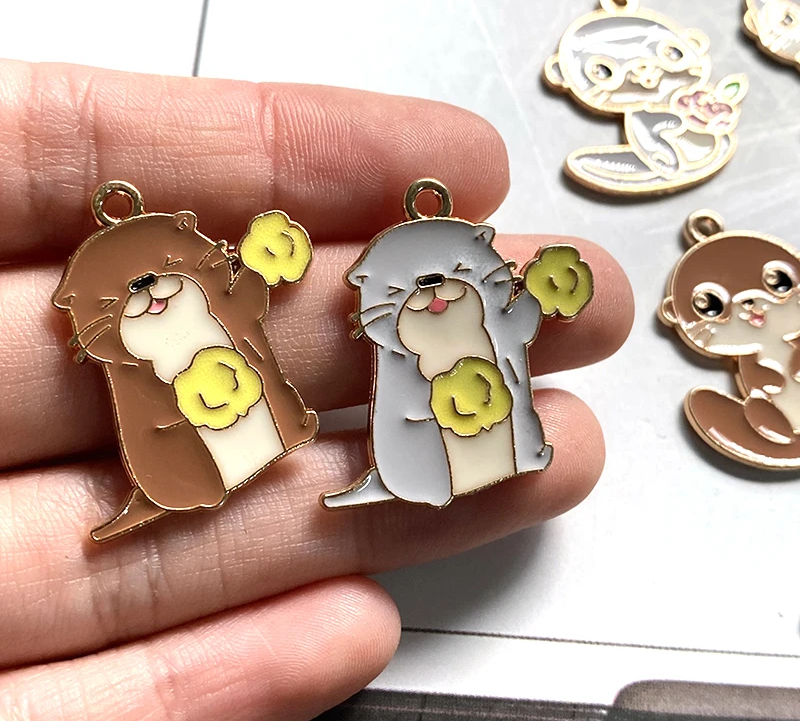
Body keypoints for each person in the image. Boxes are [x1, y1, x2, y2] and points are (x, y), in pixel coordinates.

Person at [0, 60, 633, 720]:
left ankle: (490, 454)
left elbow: (253, 297)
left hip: (457, 429)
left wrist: (539, 294)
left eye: (158, 274)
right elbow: (241, 308)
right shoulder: (135, 364)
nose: (149, 293)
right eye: (126, 292)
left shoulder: (240, 304)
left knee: (477, 425)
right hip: (194, 460)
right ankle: (261, 466)